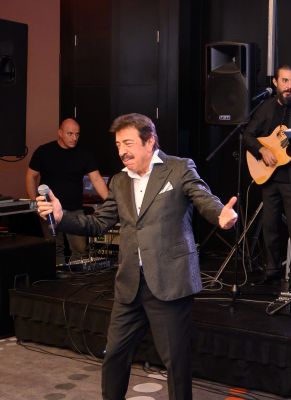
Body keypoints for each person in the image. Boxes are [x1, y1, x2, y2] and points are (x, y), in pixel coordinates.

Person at [36, 113, 238, 399]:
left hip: (169, 283)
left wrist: (221, 215)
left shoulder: (179, 168)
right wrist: (61, 216)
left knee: (176, 363)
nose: (122, 151)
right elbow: (98, 223)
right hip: (130, 284)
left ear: (150, 141)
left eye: (128, 143)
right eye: (118, 145)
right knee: (115, 355)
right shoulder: (119, 181)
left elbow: (204, 199)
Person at [243, 64, 291, 292]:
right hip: (268, 177)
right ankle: (272, 271)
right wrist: (261, 150)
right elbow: (247, 135)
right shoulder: (264, 107)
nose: (289, 86)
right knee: (270, 227)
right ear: (275, 82)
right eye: (285, 81)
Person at [26, 118, 109, 264]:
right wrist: (34, 203)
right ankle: (57, 277)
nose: (74, 138)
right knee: (54, 249)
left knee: (80, 250)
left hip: (74, 210)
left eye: (77, 134)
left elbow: (96, 179)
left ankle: (77, 276)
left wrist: (111, 203)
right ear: (60, 133)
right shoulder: (44, 151)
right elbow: (31, 176)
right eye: (70, 134)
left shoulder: (84, 153)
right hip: (49, 209)